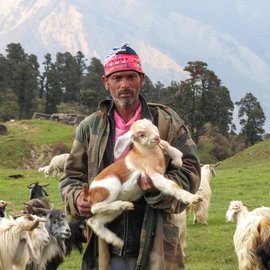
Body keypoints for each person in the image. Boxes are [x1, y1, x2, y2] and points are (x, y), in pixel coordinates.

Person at [59, 43, 201, 270]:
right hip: (104, 251)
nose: (124, 84)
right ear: (106, 83)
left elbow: (191, 173)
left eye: (130, 76)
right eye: (117, 78)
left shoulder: (166, 122)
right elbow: (71, 177)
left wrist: (156, 189)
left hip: (157, 249)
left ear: (141, 80)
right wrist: (77, 199)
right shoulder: (90, 127)